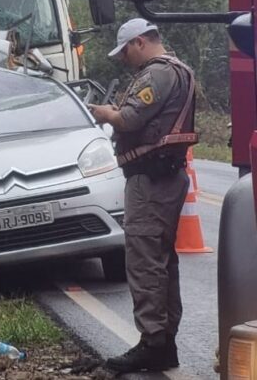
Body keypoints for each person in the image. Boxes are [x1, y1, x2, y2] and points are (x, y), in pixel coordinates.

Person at [89, 19, 196, 374]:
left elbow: (130, 119)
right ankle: (163, 341)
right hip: (164, 177)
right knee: (162, 260)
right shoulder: (180, 70)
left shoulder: (157, 74)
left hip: (151, 181)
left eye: (124, 52)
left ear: (139, 42)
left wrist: (105, 114)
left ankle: (153, 342)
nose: (123, 60)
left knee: (144, 260)